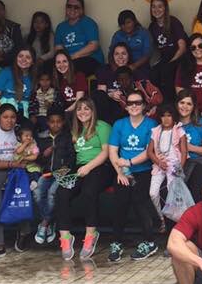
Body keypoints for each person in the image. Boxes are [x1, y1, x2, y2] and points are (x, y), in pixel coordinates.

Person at [55, 98, 114, 261]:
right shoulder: (76, 129)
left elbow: (105, 152)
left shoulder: (102, 126)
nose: (82, 112)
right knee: (62, 193)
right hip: (80, 167)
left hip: (101, 166)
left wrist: (88, 167)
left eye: (86, 109)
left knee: (89, 191)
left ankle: (91, 234)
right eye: (79, 109)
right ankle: (65, 236)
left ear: (93, 111)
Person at [108, 92, 162, 262]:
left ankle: (149, 241)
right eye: (130, 103)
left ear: (144, 105)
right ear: (126, 105)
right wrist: (119, 172)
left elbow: (148, 152)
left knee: (140, 200)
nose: (133, 106)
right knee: (120, 201)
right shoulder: (119, 124)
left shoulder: (151, 124)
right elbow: (112, 151)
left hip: (144, 169)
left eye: (138, 103)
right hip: (122, 171)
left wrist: (129, 163)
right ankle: (116, 242)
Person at [0, 103, 32, 261]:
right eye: (5, 117)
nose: (9, 121)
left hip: (17, 169)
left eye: (12, 117)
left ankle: (24, 232)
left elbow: (31, 151)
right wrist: (10, 164)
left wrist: (21, 162)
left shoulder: (19, 132)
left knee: (21, 192)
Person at [33, 105, 76, 247]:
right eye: (52, 121)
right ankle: (50, 221)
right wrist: (43, 155)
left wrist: (61, 171)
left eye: (58, 121)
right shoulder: (42, 137)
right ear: (47, 122)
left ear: (63, 122)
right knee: (38, 193)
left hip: (61, 173)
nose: (55, 124)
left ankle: (44, 223)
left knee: (52, 193)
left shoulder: (67, 137)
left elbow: (71, 158)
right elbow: (36, 159)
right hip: (46, 173)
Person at [148, 103, 188, 227]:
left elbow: (184, 152)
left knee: (174, 193)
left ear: (174, 117)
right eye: (163, 116)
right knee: (153, 193)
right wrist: (158, 162)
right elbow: (149, 151)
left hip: (175, 165)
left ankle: (177, 221)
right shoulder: (156, 131)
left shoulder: (179, 130)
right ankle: (162, 218)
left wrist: (179, 168)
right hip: (159, 164)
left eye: (169, 116)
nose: (166, 119)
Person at [176, 89, 202, 203]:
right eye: (182, 102)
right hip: (176, 162)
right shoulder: (171, 123)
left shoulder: (201, 123)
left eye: (189, 104)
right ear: (177, 104)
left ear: (194, 107)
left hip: (198, 161)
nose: (185, 107)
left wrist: (189, 147)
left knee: (198, 178)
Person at [148, 0, 187, 102]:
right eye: (153, 7)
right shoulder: (152, 27)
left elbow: (182, 47)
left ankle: (171, 104)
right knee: (153, 73)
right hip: (165, 58)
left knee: (167, 71)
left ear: (165, 8)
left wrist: (171, 63)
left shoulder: (174, 22)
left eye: (160, 6)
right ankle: (159, 104)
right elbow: (154, 50)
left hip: (180, 56)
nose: (156, 10)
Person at [54, 0, 104, 75]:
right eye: (69, 6)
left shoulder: (88, 23)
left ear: (82, 10)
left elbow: (93, 46)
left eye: (76, 7)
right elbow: (58, 48)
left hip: (89, 59)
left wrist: (71, 58)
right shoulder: (60, 27)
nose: (72, 9)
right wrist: (64, 60)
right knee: (49, 66)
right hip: (67, 61)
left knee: (74, 66)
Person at [0, 45, 36, 119]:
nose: (23, 59)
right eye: (20, 56)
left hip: (22, 111)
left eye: (28, 57)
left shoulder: (34, 78)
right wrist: (4, 113)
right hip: (1, 108)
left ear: (32, 61)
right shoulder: (6, 72)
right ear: (16, 58)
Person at [110, 9, 153, 74]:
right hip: (120, 67)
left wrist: (133, 66)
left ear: (134, 21)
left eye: (128, 22)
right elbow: (110, 53)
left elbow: (147, 54)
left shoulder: (144, 33)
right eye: (122, 24)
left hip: (140, 66)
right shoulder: (117, 35)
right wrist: (114, 67)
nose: (126, 26)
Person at [50, 48, 88, 114]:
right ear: (55, 65)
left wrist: (64, 113)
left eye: (64, 61)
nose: (62, 65)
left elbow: (79, 101)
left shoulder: (79, 76)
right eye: (58, 62)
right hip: (66, 112)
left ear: (69, 62)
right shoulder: (56, 80)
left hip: (80, 110)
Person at [15, 124, 40, 189]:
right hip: (20, 167)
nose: (29, 138)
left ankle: (33, 183)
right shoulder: (18, 145)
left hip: (32, 167)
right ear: (19, 138)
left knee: (35, 173)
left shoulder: (34, 145)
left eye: (30, 136)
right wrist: (25, 144)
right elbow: (18, 152)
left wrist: (24, 158)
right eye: (26, 136)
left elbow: (35, 156)